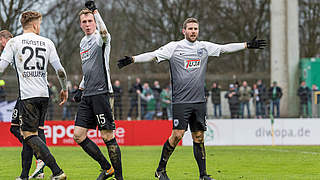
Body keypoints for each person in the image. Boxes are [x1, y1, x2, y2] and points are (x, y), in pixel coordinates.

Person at [117, 17, 266, 180]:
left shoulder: (204, 47)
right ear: (184, 31)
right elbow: (153, 55)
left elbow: (224, 48)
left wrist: (246, 45)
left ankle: (203, 175)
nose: (193, 31)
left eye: (195, 29)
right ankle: (160, 170)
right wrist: (133, 59)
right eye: (190, 29)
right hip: (181, 101)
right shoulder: (174, 47)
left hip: (199, 101)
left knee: (199, 137)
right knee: (177, 135)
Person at [0, 11, 68, 180]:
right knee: (29, 133)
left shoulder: (14, 42)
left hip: (28, 96)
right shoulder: (47, 42)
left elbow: (1, 68)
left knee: (29, 135)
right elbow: (60, 70)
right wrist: (64, 88)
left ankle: (57, 171)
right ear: (36, 24)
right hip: (43, 95)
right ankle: (25, 175)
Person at [72, 1, 123, 180]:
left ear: (95, 22)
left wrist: (95, 11)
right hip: (88, 94)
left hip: (102, 93)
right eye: (84, 22)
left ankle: (119, 177)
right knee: (78, 135)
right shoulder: (82, 42)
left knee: (107, 136)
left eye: (90, 21)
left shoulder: (100, 38)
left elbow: (105, 32)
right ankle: (106, 168)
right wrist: (80, 88)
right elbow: (89, 69)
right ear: (80, 24)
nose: (87, 24)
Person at [1, 29, 48, 179]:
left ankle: (39, 158)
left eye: (1, 42)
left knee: (28, 132)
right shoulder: (20, 47)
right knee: (18, 130)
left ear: (5, 39)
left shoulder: (13, 46)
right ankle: (38, 160)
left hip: (28, 94)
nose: (1, 46)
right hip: (36, 92)